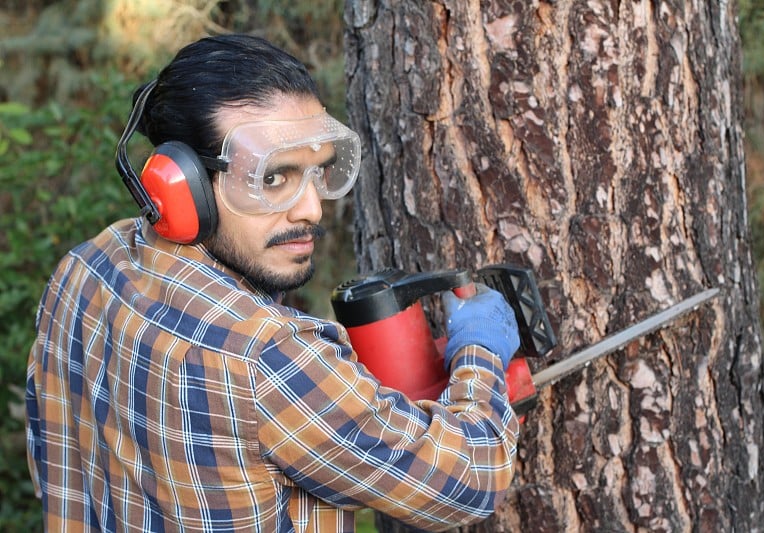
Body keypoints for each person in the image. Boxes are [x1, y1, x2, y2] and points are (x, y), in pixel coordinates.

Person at [25, 34, 521, 532]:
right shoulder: (267, 359)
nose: (311, 209)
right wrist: (479, 351)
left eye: (319, 171)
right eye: (272, 178)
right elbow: (473, 479)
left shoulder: (83, 271)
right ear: (181, 183)